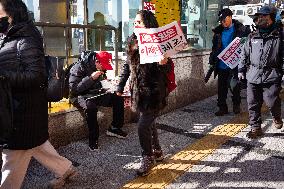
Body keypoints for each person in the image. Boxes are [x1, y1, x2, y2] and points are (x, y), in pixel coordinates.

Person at [0, 0, 76, 188]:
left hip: (23, 113)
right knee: (37, 145)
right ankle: (65, 169)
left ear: (12, 14)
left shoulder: (27, 38)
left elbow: (36, 76)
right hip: (14, 108)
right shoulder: (7, 37)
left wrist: (3, 76)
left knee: (13, 157)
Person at [116, 10, 170, 176]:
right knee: (149, 122)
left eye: (139, 22)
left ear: (148, 23)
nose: (136, 24)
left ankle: (147, 156)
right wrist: (120, 85)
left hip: (154, 92)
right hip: (138, 91)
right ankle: (158, 151)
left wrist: (163, 62)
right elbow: (127, 66)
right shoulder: (132, 40)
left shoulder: (158, 41)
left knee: (142, 125)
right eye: (135, 22)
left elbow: (167, 68)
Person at [238, 6, 283, 139]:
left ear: (271, 19)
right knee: (252, 103)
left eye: (264, 16)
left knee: (272, 102)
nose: (261, 19)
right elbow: (244, 54)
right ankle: (255, 128)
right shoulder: (252, 36)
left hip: (272, 75)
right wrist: (241, 69)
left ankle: (276, 116)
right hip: (253, 75)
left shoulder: (279, 35)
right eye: (259, 16)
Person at [69, 51, 127, 151]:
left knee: (118, 97)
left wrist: (109, 85)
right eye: (103, 66)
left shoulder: (100, 68)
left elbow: (101, 83)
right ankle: (93, 139)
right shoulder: (79, 67)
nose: (104, 68)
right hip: (79, 96)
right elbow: (74, 89)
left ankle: (114, 128)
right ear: (97, 62)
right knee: (90, 105)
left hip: (95, 93)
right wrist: (91, 78)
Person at [209, 8, 251, 116]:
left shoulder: (241, 30)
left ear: (230, 17)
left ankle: (236, 105)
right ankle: (222, 108)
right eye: (221, 20)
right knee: (221, 89)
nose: (223, 22)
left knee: (235, 87)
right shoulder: (218, 32)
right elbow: (215, 48)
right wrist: (212, 59)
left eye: (225, 19)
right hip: (221, 65)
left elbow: (248, 46)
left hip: (235, 65)